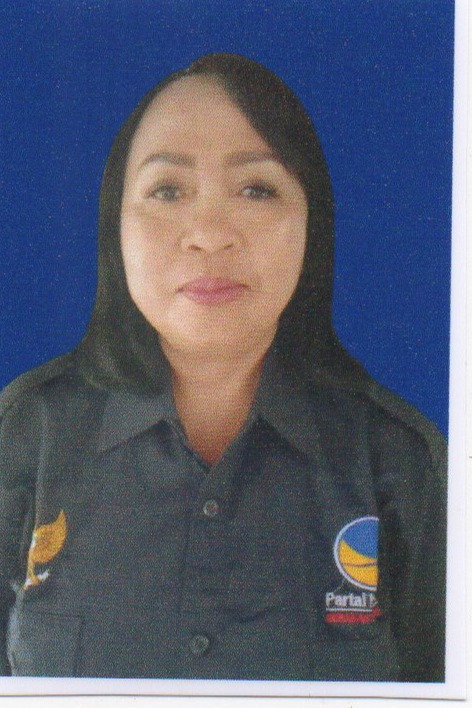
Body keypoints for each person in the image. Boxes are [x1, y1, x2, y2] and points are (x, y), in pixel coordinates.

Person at [0, 53, 446, 681]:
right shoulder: (26, 434)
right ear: (115, 226)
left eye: (257, 189)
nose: (209, 234)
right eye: (167, 190)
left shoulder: (399, 460)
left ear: (312, 224)